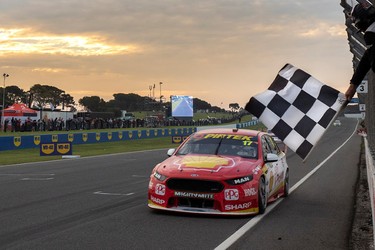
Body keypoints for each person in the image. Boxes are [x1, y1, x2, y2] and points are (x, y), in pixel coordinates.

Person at [345, 3, 375, 101]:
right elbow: (367, 56)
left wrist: (353, 85)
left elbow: (370, 58)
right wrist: (354, 84)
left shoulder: (371, 33)